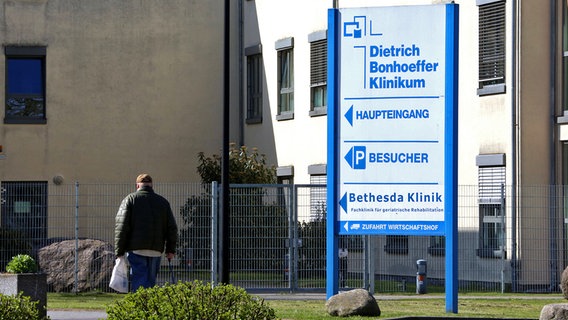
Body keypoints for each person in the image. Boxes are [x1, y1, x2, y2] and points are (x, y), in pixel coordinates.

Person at [114, 173, 178, 292]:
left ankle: (140, 306)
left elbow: (121, 227)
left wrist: (119, 251)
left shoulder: (130, 199)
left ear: (137, 185)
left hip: (136, 249)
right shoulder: (163, 202)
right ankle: (149, 306)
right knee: (151, 281)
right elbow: (172, 228)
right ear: (151, 186)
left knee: (139, 279)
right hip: (156, 250)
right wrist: (170, 250)